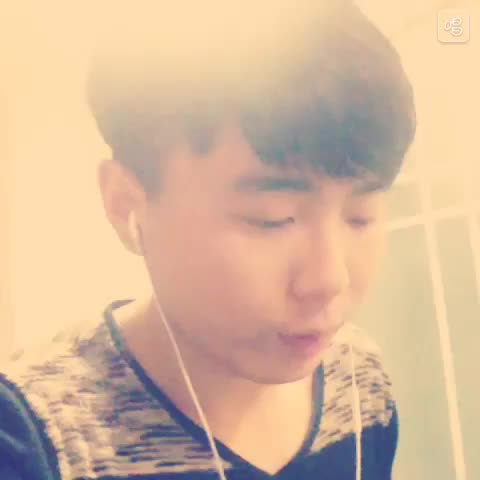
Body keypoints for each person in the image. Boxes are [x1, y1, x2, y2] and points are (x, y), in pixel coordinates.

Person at [0, 1, 416, 479]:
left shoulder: (357, 379)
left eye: (360, 216)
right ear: (127, 204)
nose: (328, 280)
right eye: (272, 220)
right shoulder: (33, 437)